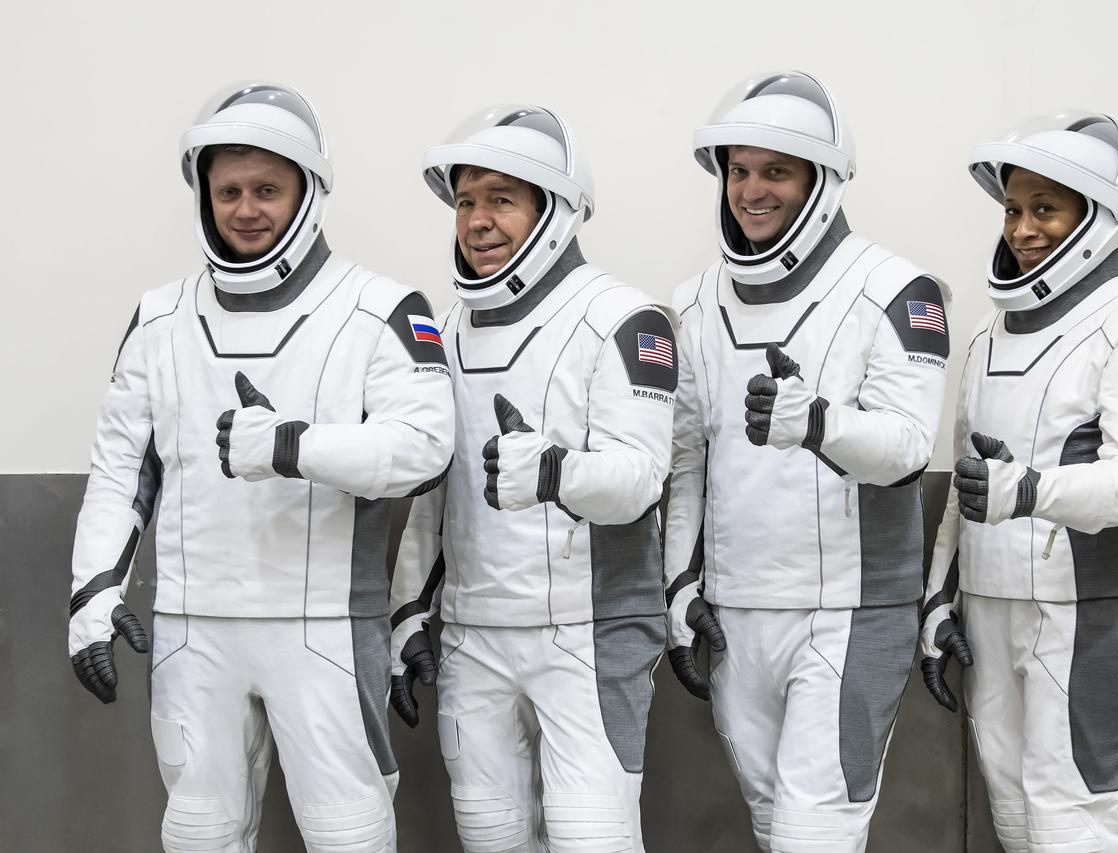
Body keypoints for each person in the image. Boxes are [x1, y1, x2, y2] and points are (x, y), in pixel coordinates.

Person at [66, 82, 454, 853]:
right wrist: (93, 589)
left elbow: (423, 448)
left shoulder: (380, 308)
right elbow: (120, 471)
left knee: (350, 836)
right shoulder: (158, 319)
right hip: (189, 628)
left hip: (324, 629)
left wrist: (292, 445)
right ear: (206, 196)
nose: (246, 209)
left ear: (308, 190)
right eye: (229, 191)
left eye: (267, 189)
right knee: (200, 834)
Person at [663, 71, 951, 852]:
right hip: (735, 612)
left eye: (775, 171)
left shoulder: (897, 290)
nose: (752, 191)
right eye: (739, 170)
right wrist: (680, 584)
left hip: (848, 613)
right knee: (773, 827)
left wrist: (820, 422)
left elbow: (907, 448)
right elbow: (688, 457)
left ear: (820, 181)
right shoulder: (693, 304)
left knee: (810, 834)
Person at [390, 104, 676, 853]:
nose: (479, 220)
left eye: (501, 199)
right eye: (466, 200)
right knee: (492, 838)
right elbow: (433, 495)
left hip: (588, 637)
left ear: (553, 210)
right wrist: (408, 611)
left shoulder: (625, 317)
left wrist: (554, 472)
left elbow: (641, 479)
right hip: (474, 638)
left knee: (592, 841)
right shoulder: (444, 329)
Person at [919, 112, 1118, 853]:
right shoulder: (986, 335)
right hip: (992, 605)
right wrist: (941, 594)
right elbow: (965, 484)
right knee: (1015, 816)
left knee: (1070, 822)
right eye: (1014, 209)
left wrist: (1030, 491)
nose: (1023, 229)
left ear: (1101, 218)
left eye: (1046, 209)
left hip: (1096, 612)